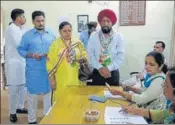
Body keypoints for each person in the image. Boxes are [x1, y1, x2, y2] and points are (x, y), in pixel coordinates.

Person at [17, 11, 55, 124]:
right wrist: (32, 55)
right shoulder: (27, 35)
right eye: (38, 21)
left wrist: (51, 54)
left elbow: (56, 48)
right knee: (32, 96)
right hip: (33, 70)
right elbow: (21, 49)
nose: (41, 23)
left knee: (48, 95)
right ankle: (32, 120)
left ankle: (47, 118)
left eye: (42, 20)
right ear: (33, 21)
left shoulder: (51, 34)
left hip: (48, 70)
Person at [46, 21, 88, 104]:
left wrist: (84, 58)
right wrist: (52, 80)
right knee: (61, 103)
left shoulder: (78, 42)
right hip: (61, 79)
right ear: (59, 31)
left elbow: (84, 54)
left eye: (69, 30)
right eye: (64, 31)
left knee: (76, 102)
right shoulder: (55, 45)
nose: (67, 33)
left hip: (76, 78)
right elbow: (50, 63)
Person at [87, 9, 125, 86]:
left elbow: (120, 56)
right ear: (100, 23)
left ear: (112, 23)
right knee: (96, 97)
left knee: (113, 97)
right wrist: (100, 67)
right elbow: (90, 55)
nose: (105, 23)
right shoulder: (93, 36)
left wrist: (108, 68)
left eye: (108, 21)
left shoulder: (118, 37)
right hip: (97, 72)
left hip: (112, 73)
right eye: (103, 21)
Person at [4, 8, 28, 123]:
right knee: (14, 89)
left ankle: (20, 106)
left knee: (23, 87)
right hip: (13, 64)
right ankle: (12, 113)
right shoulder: (11, 29)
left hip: (22, 62)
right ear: (18, 18)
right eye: (23, 16)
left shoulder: (21, 28)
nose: (24, 18)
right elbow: (20, 44)